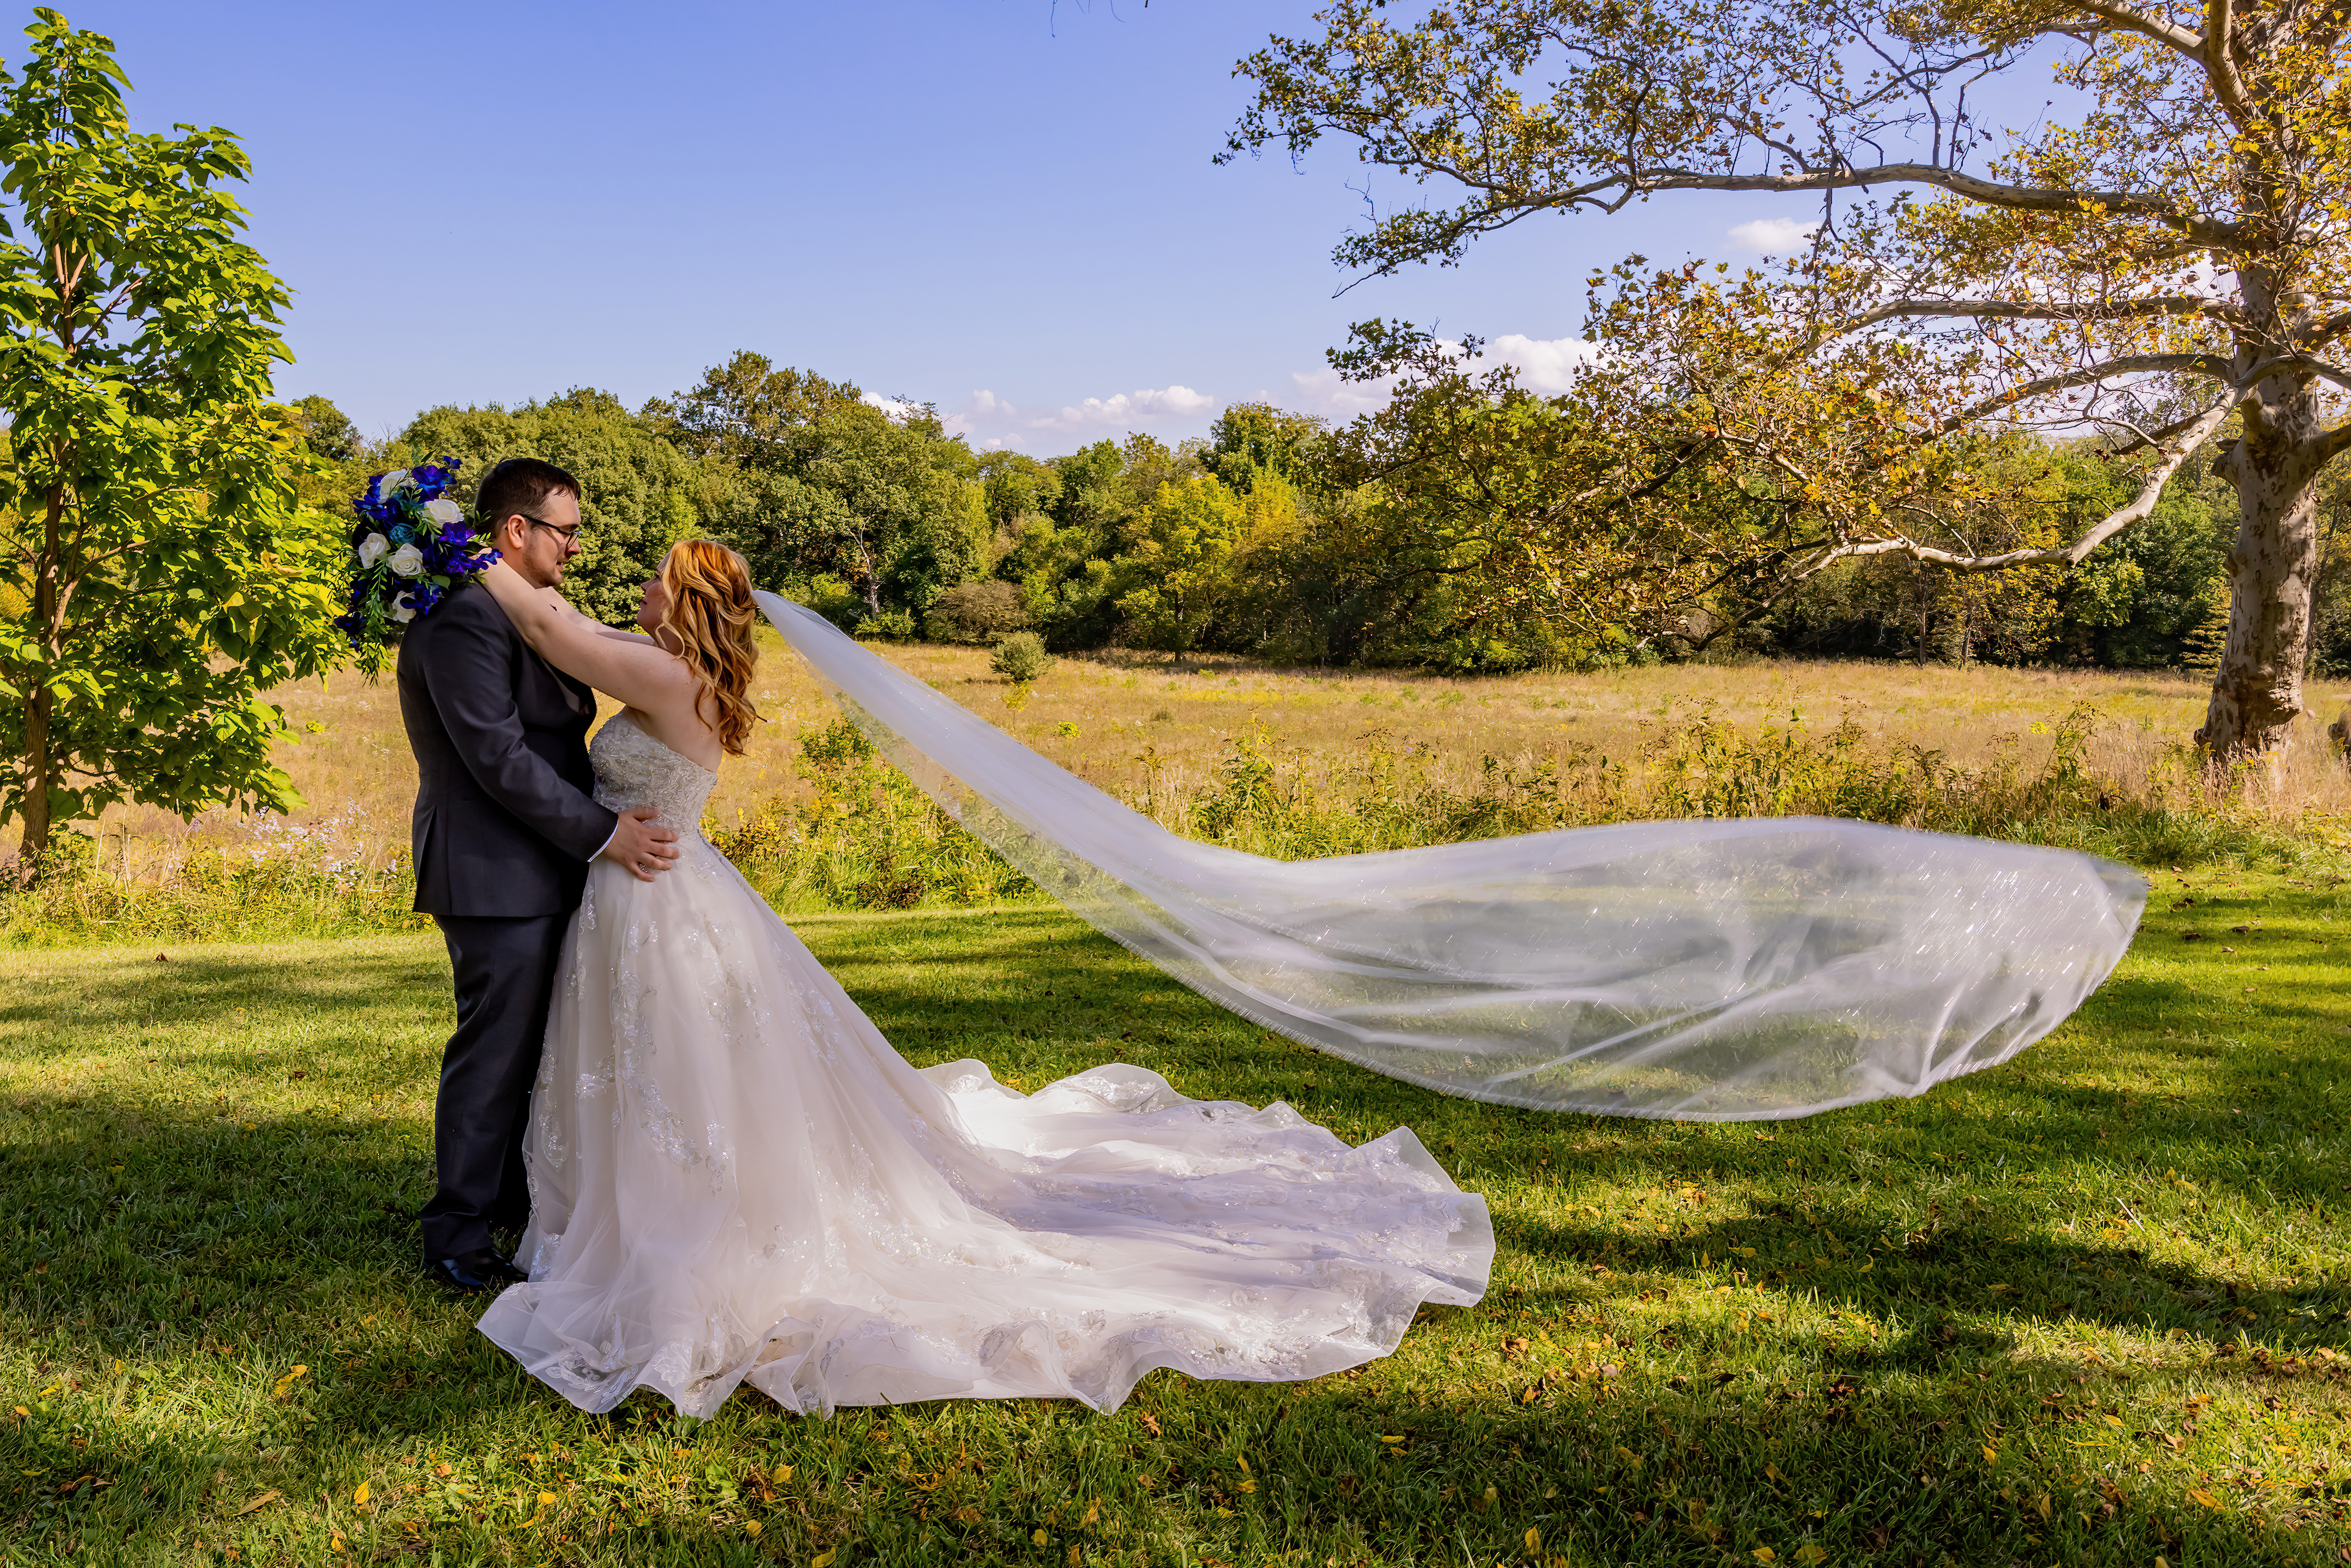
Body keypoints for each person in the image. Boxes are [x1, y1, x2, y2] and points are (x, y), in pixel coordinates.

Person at [467, 539, 1492, 1416]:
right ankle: (626, 1202)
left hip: (661, 900)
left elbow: (561, 637)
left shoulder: (665, 678)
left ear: (683, 603)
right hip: (656, 890)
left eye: (653, 582)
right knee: (667, 1067)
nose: (637, 592)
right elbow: (572, 621)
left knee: (679, 1071)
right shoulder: (675, 666)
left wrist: (449, 542)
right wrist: (522, 578)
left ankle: (678, 1226)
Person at [395, 458, 680, 1295]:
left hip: (542, 866)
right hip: (491, 869)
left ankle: (521, 1202)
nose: (575, 546)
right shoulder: (462, 622)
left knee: (537, 1048)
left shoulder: (527, 615)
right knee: (495, 1050)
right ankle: (456, 1230)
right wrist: (604, 836)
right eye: (565, 530)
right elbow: (497, 758)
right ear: (515, 530)